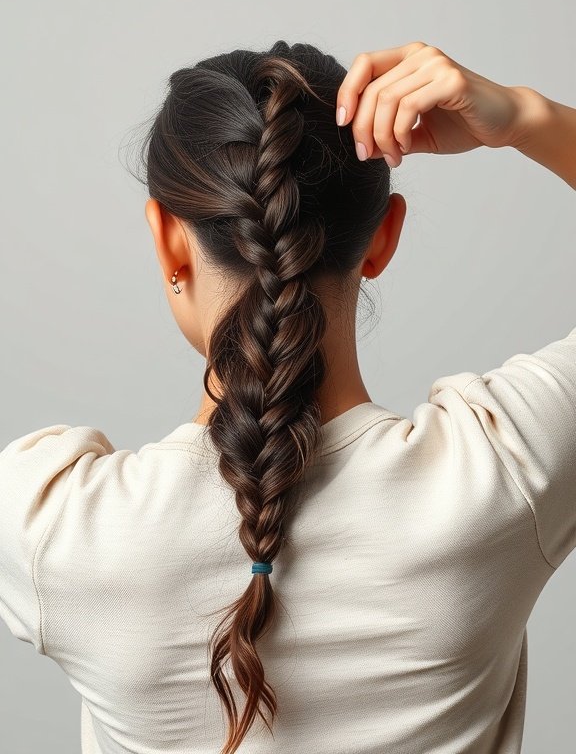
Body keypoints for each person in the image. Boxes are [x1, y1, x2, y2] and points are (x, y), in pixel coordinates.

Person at [1, 39, 574, 754]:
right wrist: (527, 117)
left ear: (170, 245)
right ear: (383, 239)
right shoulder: (502, 470)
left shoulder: (50, 525)